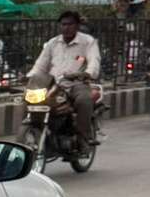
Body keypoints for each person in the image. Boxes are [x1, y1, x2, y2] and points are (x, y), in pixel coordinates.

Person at [27, 10, 101, 148]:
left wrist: (88, 73)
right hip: (52, 83)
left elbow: (94, 62)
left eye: (70, 24)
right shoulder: (52, 43)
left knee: (84, 100)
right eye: (63, 24)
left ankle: (83, 137)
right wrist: (30, 77)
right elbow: (40, 65)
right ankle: (32, 127)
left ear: (77, 25)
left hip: (77, 83)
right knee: (29, 99)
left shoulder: (88, 42)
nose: (66, 27)